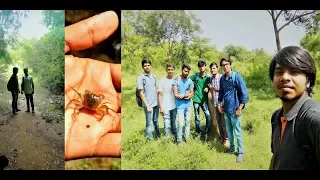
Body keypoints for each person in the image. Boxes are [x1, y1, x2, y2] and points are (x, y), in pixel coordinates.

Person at [64, 10, 121, 160]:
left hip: (88, 108)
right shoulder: (99, 105)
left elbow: (74, 102)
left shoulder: (82, 99)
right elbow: (105, 108)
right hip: (95, 109)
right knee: (106, 107)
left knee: (77, 100)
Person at [268, 46, 320, 170]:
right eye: (279, 72)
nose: (285, 77)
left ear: (308, 81)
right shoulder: (277, 117)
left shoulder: (313, 119)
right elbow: (276, 155)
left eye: (294, 71)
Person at [218, 57, 249, 163]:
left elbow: (244, 93)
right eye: (223, 65)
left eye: (226, 64)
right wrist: (219, 104)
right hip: (226, 109)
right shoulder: (222, 78)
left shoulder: (236, 77)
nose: (225, 66)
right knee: (229, 132)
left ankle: (240, 152)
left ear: (230, 64)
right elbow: (221, 92)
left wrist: (240, 108)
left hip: (235, 110)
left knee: (237, 131)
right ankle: (232, 148)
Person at [137, 58, 160, 140]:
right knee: (149, 123)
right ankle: (150, 142)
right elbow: (141, 93)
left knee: (156, 121)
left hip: (155, 103)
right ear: (143, 67)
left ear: (151, 66)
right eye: (145, 66)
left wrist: (160, 103)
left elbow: (157, 89)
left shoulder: (154, 77)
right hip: (148, 105)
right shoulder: (141, 78)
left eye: (148, 65)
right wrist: (147, 106)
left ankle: (158, 137)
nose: (147, 67)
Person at [208, 62, 229, 146]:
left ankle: (227, 139)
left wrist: (214, 89)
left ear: (217, 69)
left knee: (224, 122)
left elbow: (224, 90)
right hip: (216, 104)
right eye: (211, 68)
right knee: (219, 122)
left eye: (214, 68)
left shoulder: (221, 77)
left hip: (222, 103)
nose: (212, 70)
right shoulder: (211, 79)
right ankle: (222, 138)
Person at [189, 60, 211, 142]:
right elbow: (187, 78)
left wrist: (208, 88)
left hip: (204, 100)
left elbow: (213, 85)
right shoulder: (196, 76)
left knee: (208, 116)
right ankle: (198, 132)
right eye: (200, 66)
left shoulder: (208, 77)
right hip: (196, 99)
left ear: (205, 66)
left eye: (203, 66)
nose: (201, 68)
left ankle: (206, 132)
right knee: (197, 118)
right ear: (198, 67)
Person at [172, 63, 194, 144]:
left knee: (188, 122)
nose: (186, 73)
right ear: (182, 70)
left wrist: (186, 95)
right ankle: (179, 140)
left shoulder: (190, 81)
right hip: (180, 106)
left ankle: (187, 138)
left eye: (188, 72)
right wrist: (186, 95)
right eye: (185, 71)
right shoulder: (176, 79)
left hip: (188, 105)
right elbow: (176, 94)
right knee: (180, 124)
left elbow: (192, 93)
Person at [158, 64, 177, 137]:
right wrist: (161, 106)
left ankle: (174, 137)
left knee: (173, 123)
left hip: (174, 105)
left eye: (172, 69)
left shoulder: (176, 80)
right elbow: (159, 94)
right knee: (166, 124)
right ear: (166, 70)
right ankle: (167, 139)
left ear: (174, 70)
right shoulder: (162, 80)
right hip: (165, 105)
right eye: (169, 69)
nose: (170, 71)